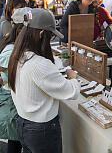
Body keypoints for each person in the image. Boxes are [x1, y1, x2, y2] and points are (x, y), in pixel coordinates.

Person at [8, 8, 80, 153]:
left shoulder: (17, 55)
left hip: (23, 124)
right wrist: (73, 78)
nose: (51, 41)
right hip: (42, 131)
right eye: (51, 37)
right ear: (41, 34)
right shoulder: (39, 63)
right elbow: (71, 92)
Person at [0, 8, 30, 153]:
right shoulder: (11, 49)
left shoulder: (12, 43)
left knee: (16, 140)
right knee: (14, 141)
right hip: (11, 102)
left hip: (13, 100)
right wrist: (4, 81)